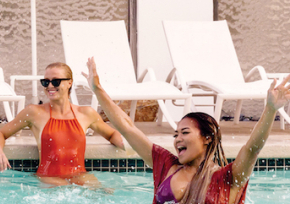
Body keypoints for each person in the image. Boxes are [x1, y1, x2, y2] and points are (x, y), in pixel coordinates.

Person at [83, 57, 289, 204]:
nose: (177, 139)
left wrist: (270, 110)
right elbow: (127, 128)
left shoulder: (227, 178)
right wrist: (98, 89)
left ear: (207, 138)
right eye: (176, 134)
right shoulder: (165, 165)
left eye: (185, 132)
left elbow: (252, 149)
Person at [0, 62, 124, 186]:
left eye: (55, 81)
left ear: (69, 83)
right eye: (45, 82)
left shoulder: (86, 113)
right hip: (48, 179)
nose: (49, 86)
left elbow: (112, 134)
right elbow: (1, 133)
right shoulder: (33, 112)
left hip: (81, 176)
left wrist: (128, 146)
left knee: (106, 194)